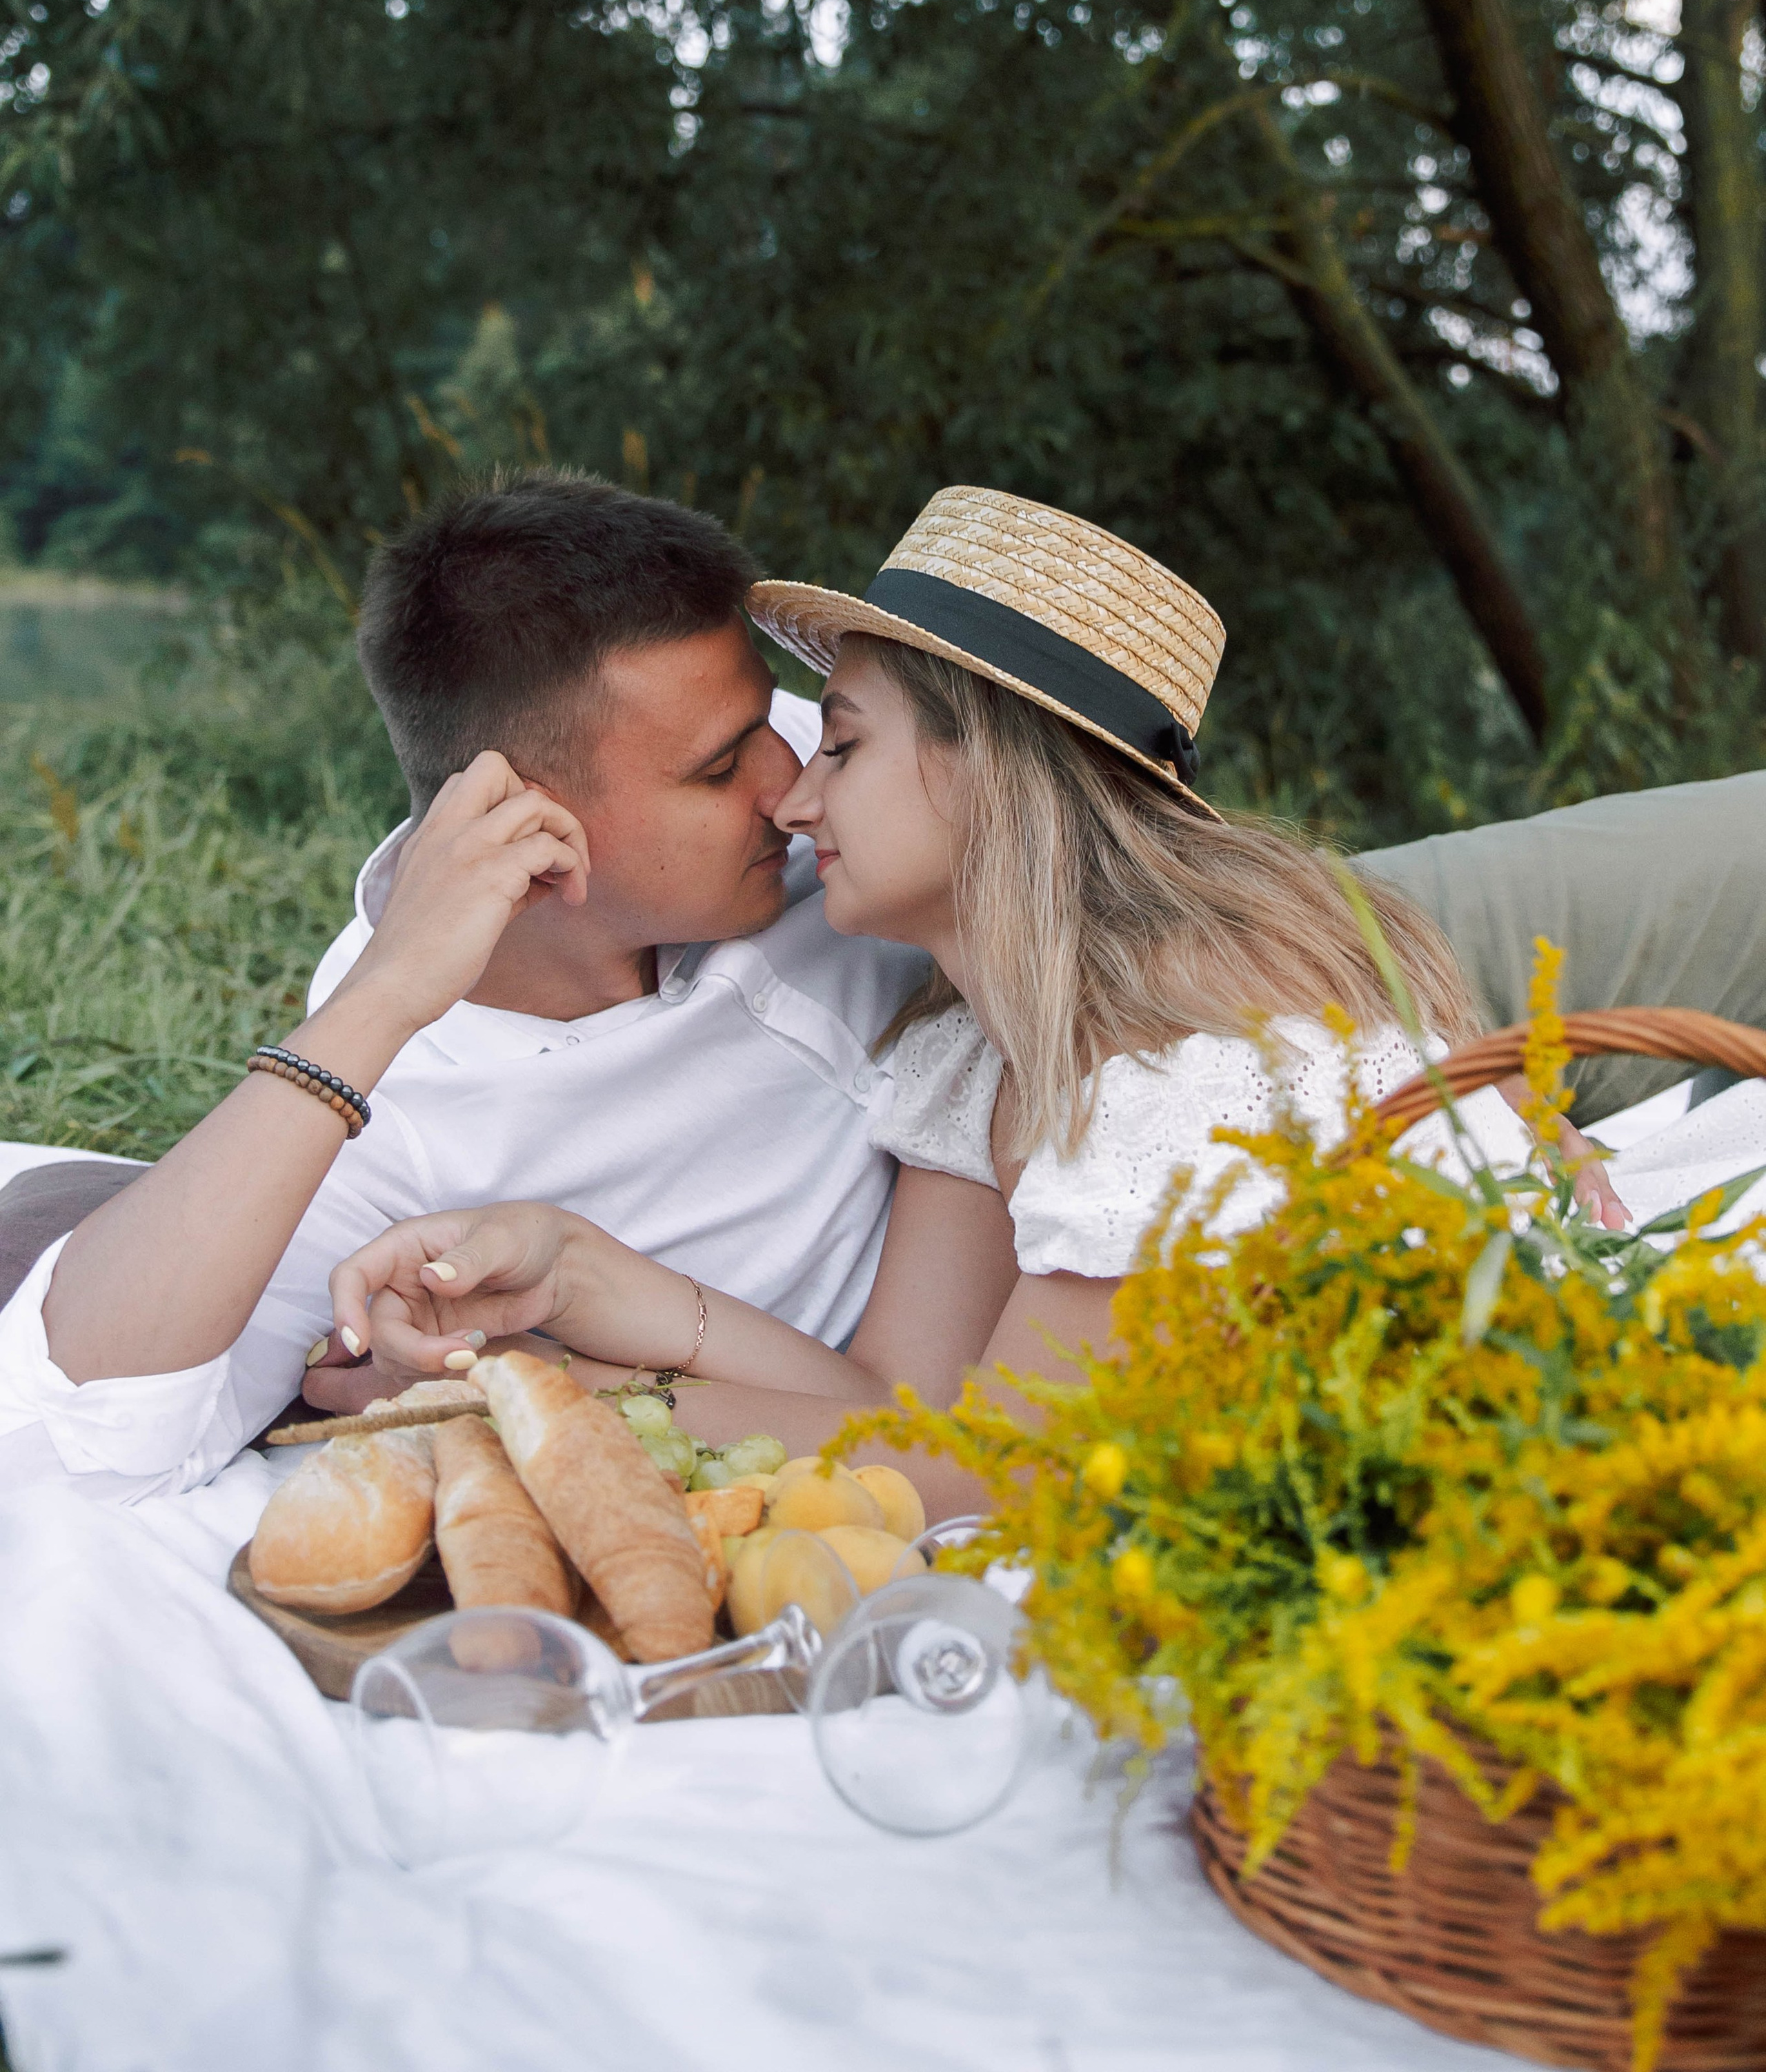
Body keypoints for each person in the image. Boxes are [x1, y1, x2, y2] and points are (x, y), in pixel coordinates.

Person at [315, 488, 1574, 1516]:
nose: (796, 799)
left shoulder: (1176, 1078)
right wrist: (582, 1275)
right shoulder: (974, 1052)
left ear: (993, 778)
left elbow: (995, 1478)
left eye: (842, 745)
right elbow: (900, 1408)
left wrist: (534, 1396)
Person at [0, 474, 1009, 1494]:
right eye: (717, 772)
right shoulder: (392, 1096)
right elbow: (71, 1430)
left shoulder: (808, 787)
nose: (792, 790)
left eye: (783, 727)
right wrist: (384, 995)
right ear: (527, 825)